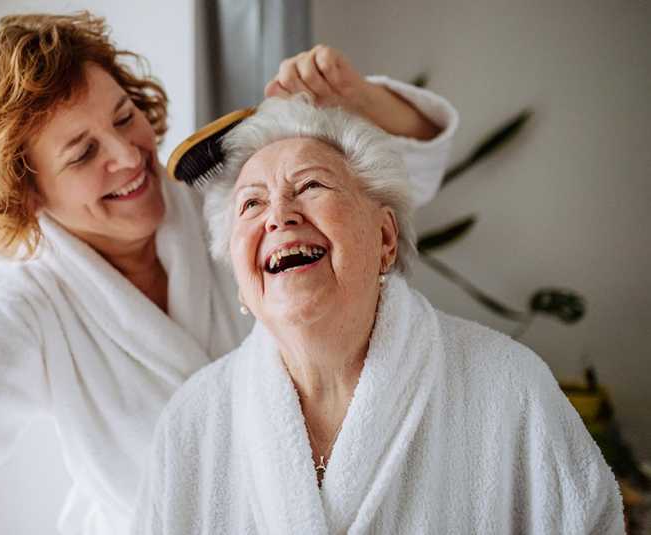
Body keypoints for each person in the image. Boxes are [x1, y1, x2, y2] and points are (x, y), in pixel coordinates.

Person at [0, 12, 458, 535]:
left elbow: (407, 172)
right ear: (28, 191)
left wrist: (361, 102)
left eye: (124, 114)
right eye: (81, 153)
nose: (129, 155)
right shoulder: (29, 303)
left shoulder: (222, 186)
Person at [131, 96, 624, 534]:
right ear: (241, 278)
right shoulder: (192, 423)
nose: (279, 215)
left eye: (310, 186)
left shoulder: (510, 387)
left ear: (385, 239)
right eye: (251, 203)